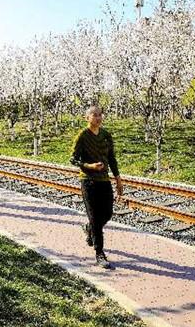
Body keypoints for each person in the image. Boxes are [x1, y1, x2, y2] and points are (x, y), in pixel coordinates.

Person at [70, 105, 123, 269]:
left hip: (104, 181)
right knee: (94, 216)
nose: (98, 118)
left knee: (107, 213)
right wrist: (90, 166)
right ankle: (99, 253)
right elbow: (73, 159)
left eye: (100, 115)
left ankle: (90, 228)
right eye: (94, 115)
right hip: (88, 181)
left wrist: (118, 179)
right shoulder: (82, 136)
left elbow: (112, 158)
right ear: (87, 118)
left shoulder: (106, 135)